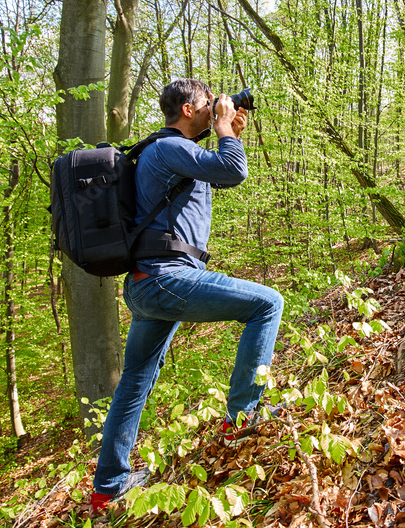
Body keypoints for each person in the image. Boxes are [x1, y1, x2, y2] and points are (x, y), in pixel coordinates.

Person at [90, 77, 284, 513]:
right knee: (268, 304)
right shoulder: (170, 147)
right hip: (165, 277)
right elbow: (233, 171)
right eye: (207, 101)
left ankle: (107, 488)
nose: (215, 104)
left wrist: (228, 132)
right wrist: (223, 132)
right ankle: (241, 419)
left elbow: (215, 173)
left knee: (134, 383)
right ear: (187, 109)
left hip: (147, 284)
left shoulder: (166, 152)